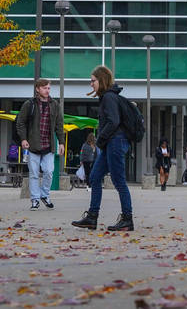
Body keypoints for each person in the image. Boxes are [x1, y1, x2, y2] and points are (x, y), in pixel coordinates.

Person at [71, 65, 134, 232]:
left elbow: (113, 121)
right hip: (111, 143)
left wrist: (100, 140)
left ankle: (127, 219)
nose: (91, 84)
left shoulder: (109, 98)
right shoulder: (107, 97)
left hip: (115, 142)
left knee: (119, 181)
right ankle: (92, 217)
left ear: (102, 80)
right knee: (95, 176)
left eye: (93, 81)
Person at [15, 79, 65, 211]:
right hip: (33, 145)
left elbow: (59, 126)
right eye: (44, 88)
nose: (47, 90)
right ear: (37, 89)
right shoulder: (29, 104)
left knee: (49, 172)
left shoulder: (54, 104)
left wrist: (61, 142)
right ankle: (35, 200)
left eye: (48, 88)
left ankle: (44, 195)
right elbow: (20, 123)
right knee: (34, 174)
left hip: (49, 146)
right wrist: (23, 139)